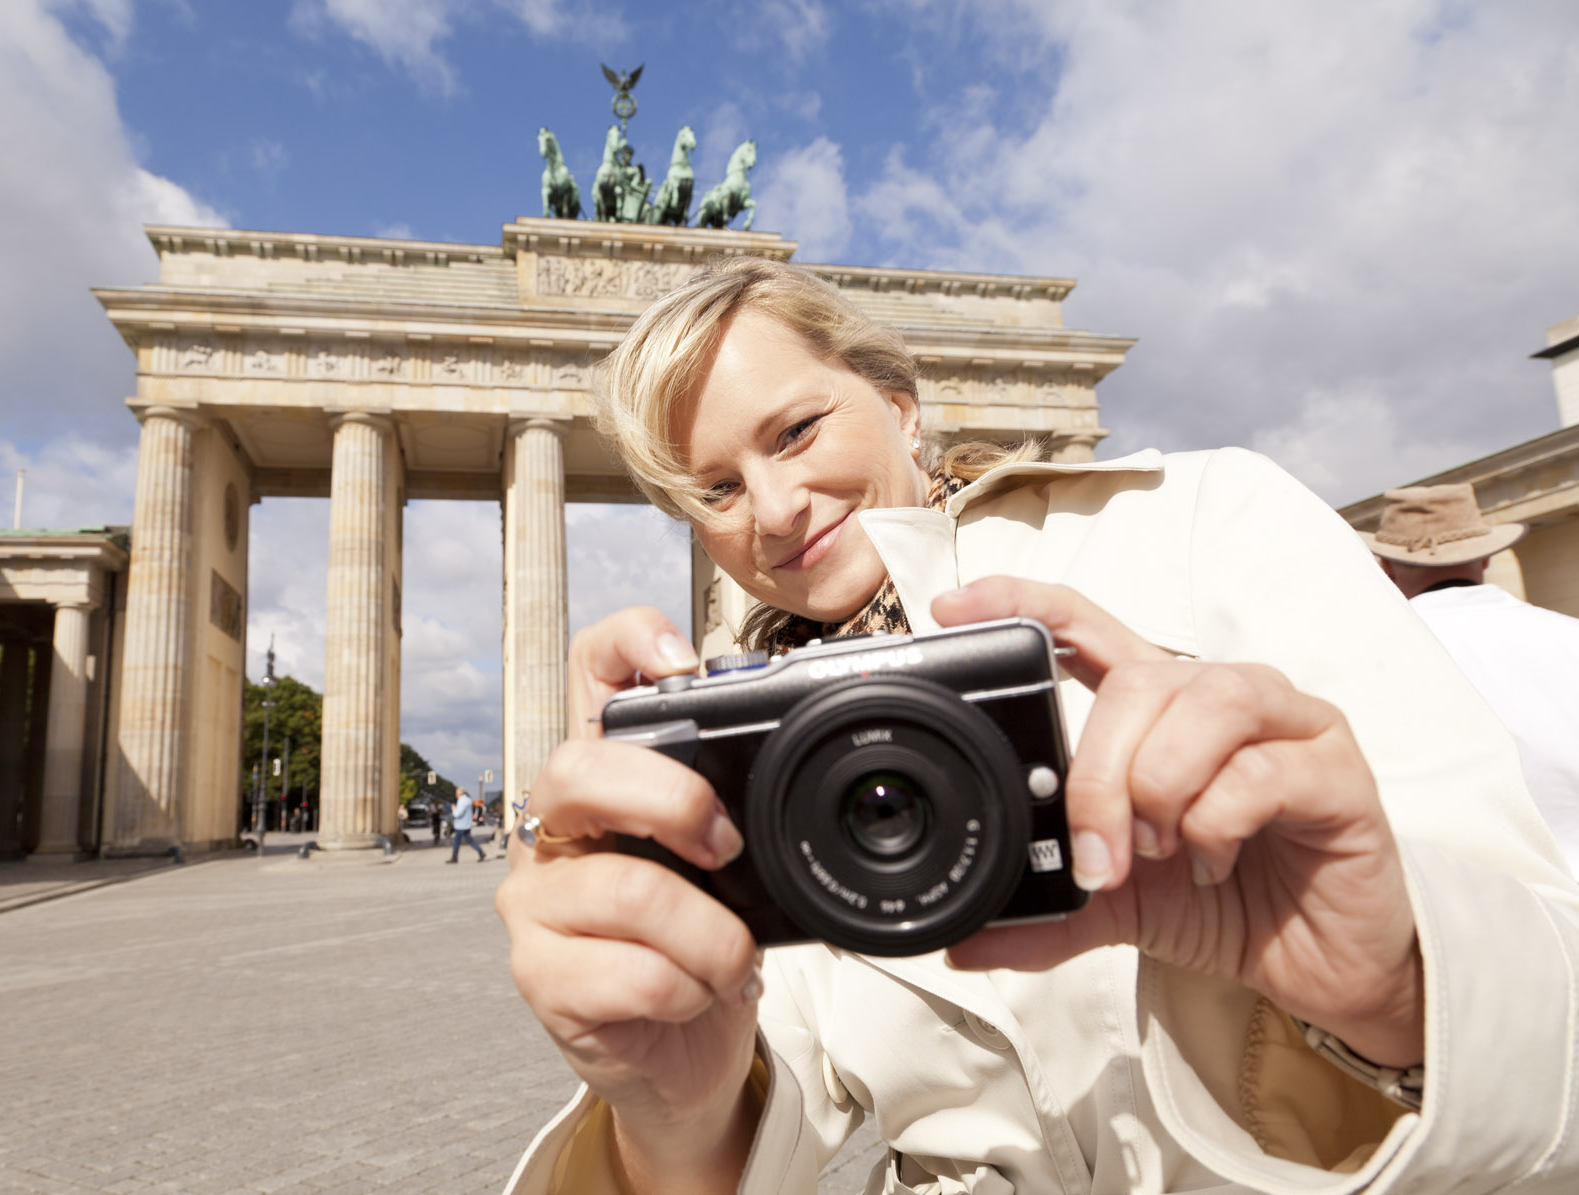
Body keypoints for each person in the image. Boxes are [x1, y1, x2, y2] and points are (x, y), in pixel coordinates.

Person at [494, 258, 1579, 1194]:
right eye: (716, 488)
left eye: (798, 430)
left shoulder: (1198, 521)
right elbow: (766, 1102)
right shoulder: (737, 754)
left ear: (899, 401)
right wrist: (670, 1114)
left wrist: (1395, 984)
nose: (774, 510)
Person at [1362, 483, 1579, 876]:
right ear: (1485, 560)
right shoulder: (1571, 636)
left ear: (1387, 569)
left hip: (1481, 907)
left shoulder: (1370, 657)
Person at [447, 787, 487, 864]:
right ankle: (481, 852)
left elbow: (457, 814)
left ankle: (454, 858)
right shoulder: (469, 800)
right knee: (470, 840)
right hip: (467, 824)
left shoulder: (462, 801)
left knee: (456, 842)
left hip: (461, 825)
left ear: (458, 794)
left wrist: (454, 809)